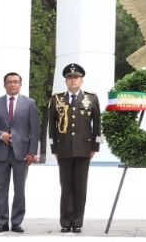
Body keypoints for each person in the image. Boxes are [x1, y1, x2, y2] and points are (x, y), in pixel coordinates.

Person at [48, 63, 101, 234]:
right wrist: (53, 148)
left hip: (84, 149)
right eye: (70, 78)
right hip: (63, 148)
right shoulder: (56, 99)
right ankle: (65, 221)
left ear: (81, 80)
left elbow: (97, 125)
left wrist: (95, 147)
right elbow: (51, 126)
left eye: (76, 77)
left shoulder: (91, 99)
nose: (73, 80)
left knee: (80, 186)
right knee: (66, 186)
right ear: (65, 81)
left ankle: (77, 222)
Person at [0, 71, 39, 233]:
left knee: (19, 189)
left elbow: (35, 130)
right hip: (1, 153)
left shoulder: (29, 103)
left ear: (20, 84)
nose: (12, 84)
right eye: (9, 82)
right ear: (4, 85)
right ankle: (2, 222)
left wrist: (32, 153)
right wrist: (1, 135)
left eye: (16, 82)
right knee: (1, 190)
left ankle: (16, 222)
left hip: (22, 154)